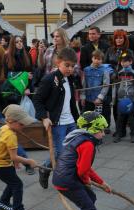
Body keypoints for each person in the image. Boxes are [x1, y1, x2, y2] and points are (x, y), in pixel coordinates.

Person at [52, 111, 111, 210]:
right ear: (91, 130)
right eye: (100, 130)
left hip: (65, 177)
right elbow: (83, 170)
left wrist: (101, 182)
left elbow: (85, 168)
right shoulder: (88, 144)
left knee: (90, 197)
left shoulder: (80, 138)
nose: (103, 134)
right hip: (68, 181)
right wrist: (86, 181)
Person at [33, 48, 80, 189]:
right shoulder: (50, 79)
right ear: (58, 62)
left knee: (75, 150)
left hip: (71, 121)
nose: (70, 69)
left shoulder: (70, 79)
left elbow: (71, 102)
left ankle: (71, 177)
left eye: (73, 66)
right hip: (57, 123)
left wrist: (78, 118)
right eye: (67, 65)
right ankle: (45, 168)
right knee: (60, 153)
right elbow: (37, 99)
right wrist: (43, 117)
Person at [0, 104, 38, 210]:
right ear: (10, 121)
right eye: (21, 124)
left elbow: (5, 149)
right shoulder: (10, 135)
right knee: (17, 185)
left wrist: (14, 162)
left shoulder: (4, 127)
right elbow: (14, 156)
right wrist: (29, 161)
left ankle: (3, 203)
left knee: (12, 182)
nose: (23, 126)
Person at [104, 29, 134, 135]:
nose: (118, 40)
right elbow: (105, 64)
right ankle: (118, 129)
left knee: (123, 105)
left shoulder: (129, 51)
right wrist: (111, 73)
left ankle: (123, 129)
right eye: (116, 37)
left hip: (124, 81)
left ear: (124, 39)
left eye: (121, 37)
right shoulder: (110, 50)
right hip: (112, 81)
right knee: (115, 105)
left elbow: (131, 66)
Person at [113, 53, 134, 143]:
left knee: (132, 118)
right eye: (122, 61)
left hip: (131, 99)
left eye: (126, 61)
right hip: (121, 99)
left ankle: (133, 135)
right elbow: (116, 82)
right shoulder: (119, 72)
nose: (123, 63)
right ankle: (118, 134)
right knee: (120, 118)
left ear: (130, 62)